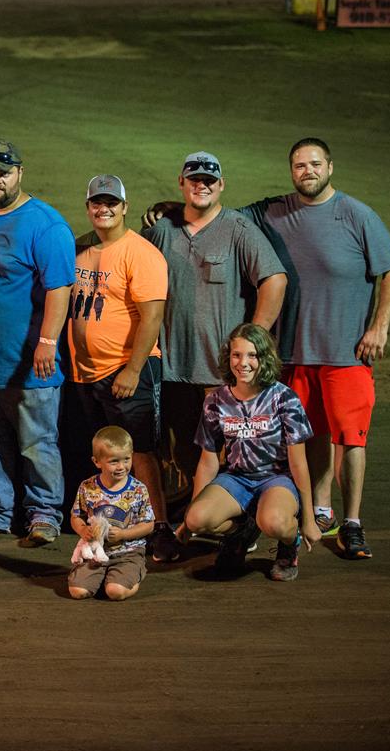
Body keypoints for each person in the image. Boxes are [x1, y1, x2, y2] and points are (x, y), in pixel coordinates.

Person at [236, 139, 390, 560]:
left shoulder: (357, 215)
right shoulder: (273, 211)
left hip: (346, 353)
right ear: (291, 171)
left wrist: (379, 327)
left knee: (351, 439)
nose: (307, 171)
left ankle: (353, 523)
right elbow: (221, 215)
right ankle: (319, 510)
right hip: (292, 352)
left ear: (330, 167)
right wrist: (169, 209)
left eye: (314, 164)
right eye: (299, 165)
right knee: (306, 435)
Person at [141, 151, 287, 522]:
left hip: (220, 371)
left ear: (221, 185)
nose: (201, 186)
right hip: (173, 368)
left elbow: (274, 279)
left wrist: (253, 339)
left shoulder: (238, 229)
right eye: (194, 180)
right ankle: (202, 514)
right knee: (185, 449)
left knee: (231, 449)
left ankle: (239, 518)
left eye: (209, 180)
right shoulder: (161, 230)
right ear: (182, 183)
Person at [0, 139, 75, 546]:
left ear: (20, 173)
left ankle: (44, 514)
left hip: (29, 359)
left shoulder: (46, 225)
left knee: (36, 442)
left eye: (4, 173)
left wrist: (47, 341)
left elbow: (60, 288)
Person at [66, 175, 177, 561]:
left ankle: (160, 527)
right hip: (85, 372)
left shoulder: (141, 253)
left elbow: (152, 317)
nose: (104, 209)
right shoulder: (80, 248)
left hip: (127, 369)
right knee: (101, 453)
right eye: (97, 203)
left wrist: (132, 369)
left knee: (139, 452)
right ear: (88, 207)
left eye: (112, 203)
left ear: (125, 207)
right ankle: (107, 525)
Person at [184, 323, 319, 581]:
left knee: (274, 522)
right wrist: (190, 516)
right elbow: (208, 461)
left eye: (252, 355)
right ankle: (240, 532)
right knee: (197, 519)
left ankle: (289, 544)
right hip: (237, 478)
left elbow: (299, 463)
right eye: (237, 355)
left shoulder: (284, 398)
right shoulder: (216, 401)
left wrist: (309, 520)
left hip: (276, 479)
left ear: (264, 358)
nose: (243, 363)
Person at [67, 426, 155, 601]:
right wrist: (83, 530)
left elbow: (149, 524)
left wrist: (123, 534)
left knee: (115, 592)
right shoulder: (87, 487)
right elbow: (76, 516)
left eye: (126, 459)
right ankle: (101, 577)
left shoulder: (138, 489)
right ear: (97, 461)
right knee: (78, 592)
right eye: (114, 461)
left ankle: (129, 574)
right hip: (96, 551)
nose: (121, 466)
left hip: (128, 552)